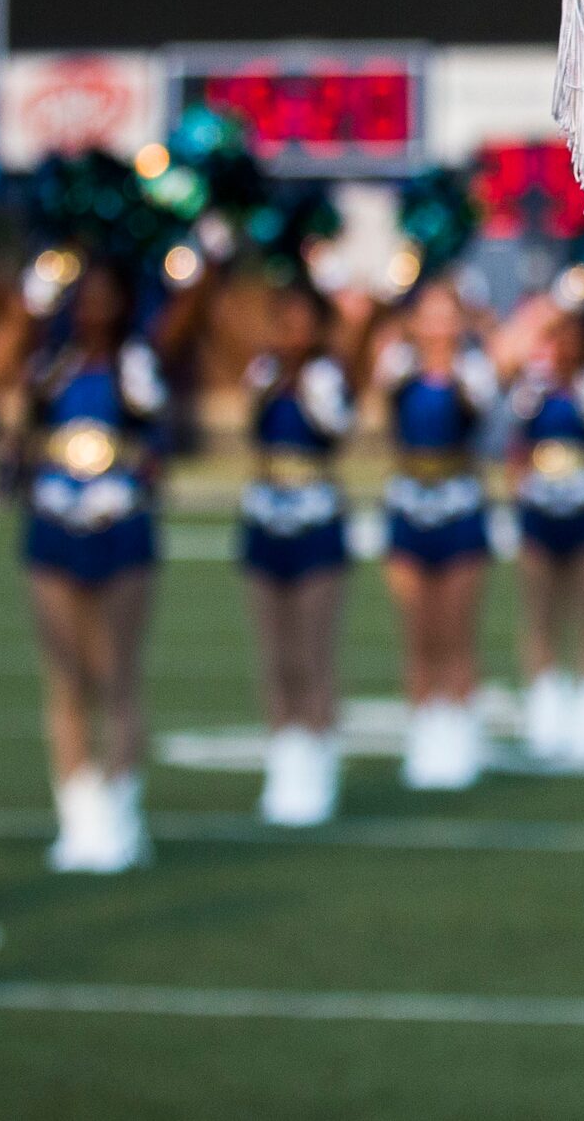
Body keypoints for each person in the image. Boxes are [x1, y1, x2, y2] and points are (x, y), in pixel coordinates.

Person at [0, 252, 208, 873]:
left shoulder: (137, 362)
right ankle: (77, 812)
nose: (95, 309)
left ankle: (121, 809)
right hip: (55, 524)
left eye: (107, 297)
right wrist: (29, 305)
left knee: (116, 672)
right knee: (65, 674)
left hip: (120, 526)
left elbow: (153, 426)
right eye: (85, 297)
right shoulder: (49, 364)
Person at [237, 279, 364, 827]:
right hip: (265, 514)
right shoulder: (262, 374)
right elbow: (251, 430)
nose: (290, 332)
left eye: (301, 321)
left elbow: (334, 431)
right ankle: (283, 758)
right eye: (282, 320)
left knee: (312, 651)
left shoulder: (328, 376)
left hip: (315, 518)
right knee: (275, 652)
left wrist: (304, 385)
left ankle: (318, 759)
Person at [371, 279, 499, 787]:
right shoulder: (397, 368)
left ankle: (460, 734)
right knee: (418, 631)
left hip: (460, 503)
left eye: (448, 314)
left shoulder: (473, 370)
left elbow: (479, 416)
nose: (438, 324)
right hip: (408, 503)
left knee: (456, 631)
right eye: (429, 313)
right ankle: (425, 734)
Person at [506, 295, 584, 763]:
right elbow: (515, 433)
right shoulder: (533, 384)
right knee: (540, 614)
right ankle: (545, 711)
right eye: (559, 335)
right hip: (540, 509)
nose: (566, 344)